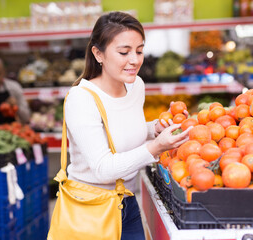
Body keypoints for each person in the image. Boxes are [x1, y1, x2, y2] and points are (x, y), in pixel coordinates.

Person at [63, 11, 191, 239]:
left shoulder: (136, 86)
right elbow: (104, 169)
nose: (135, 60)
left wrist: (155, 129)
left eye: (139, 51)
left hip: (128, 204)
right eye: (124, 52)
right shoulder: (81, 98)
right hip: (91, 211)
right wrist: (156, 147)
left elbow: (125, 131)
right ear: (98, 53)